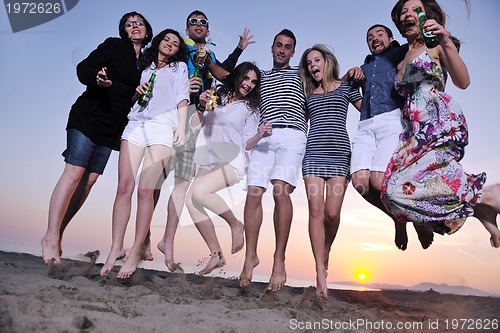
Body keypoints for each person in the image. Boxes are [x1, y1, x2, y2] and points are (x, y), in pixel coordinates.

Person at [382, 0, 500, 247]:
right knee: (392, 194)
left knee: (399, 190)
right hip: (414, 129)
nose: (408, 14)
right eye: (403, 11)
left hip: (438, 120)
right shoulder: (403, 55)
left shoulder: (434, 44)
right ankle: (482, 207)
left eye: (415, 9)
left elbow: (463, 81)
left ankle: (488, 195)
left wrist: (445, 41)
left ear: (427, 15)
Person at [41, 11, 153, 265]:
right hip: (89, 116)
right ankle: (49, 236)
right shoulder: (114, 45)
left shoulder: (145, 63)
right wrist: (96, 78)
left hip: (112, 128)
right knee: (74, 173)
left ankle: (59, 234)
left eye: (139, 23)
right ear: (124, 30)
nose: (134, 26)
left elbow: (132, 96)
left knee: (88, 183)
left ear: (147, 30)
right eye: (129, 24)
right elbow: (84, 68)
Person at [156, 10, 255, 272]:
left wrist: (237, 49)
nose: (198, 25)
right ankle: (164, 239)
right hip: (181, 116)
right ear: (186, 29)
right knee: (166, 183)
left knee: (186, 189)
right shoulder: (179, 49)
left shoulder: (210, 62)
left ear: (208, 30)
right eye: (193, 22)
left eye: (203, 22)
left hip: (200, 128)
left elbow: (226, 73)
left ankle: (169, 240)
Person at [100, 29, 189, 278]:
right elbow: (130, 95)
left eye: (175, 43)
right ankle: (116, 247)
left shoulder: (179, 68)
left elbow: (183, 98)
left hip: (162, 128)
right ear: (159, 41)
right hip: (135, 125)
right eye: (166, 40)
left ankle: (136, 249)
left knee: (145, 190)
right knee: (124, 187)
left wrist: (181, 127)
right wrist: (134, 93)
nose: (170, 44)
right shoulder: (144, 66)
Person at [349, 25, 434, 251]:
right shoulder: (365, 66)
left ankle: (414, 218)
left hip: (391, 119)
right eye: (370, 37)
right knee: (359, 183)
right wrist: (352, 75)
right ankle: (397, 218)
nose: (374, 38)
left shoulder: (402, 51)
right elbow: (353, 95)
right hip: (366, 123)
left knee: (378, 181)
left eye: (379, 34)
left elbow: (431, 50)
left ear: (390, 38)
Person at [239, 29, 307, 292]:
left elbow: (328, 84)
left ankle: (279, 259)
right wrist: (239, 49)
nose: (282, 50)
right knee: (254, 192)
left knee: (280, 191)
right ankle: (250, 257)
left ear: (292, 51)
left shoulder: (301, 76)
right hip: (264, 135)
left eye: (287, 47)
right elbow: (231, 79)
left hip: (293, 135)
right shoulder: (262, 77)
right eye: (278, 45)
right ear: (272, 47)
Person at [186, 62, 269, 275]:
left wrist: (259, 134)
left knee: (200, 192)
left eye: (254, 82)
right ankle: (216, 254)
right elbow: (197, 125)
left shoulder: (250, 108)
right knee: (191, 202)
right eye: (246, 78)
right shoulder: (218, 95)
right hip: (208, 158)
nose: (249, 84)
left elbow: (247, 143)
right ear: (237, 76)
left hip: (233, 159)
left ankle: (235, 224)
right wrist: (201, 107)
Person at [299, 44, 362, 298]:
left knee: (332, 214)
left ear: (327, 61)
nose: (313, 65)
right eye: (309, 63)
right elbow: (296, 120)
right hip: (313, 156)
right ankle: (319, 271)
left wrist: (359, 74)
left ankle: (326, 251)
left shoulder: (346, 87)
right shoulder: (307, 94)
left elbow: (366, 108)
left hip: (339, 156)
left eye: (316, 60)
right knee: (316, 211)